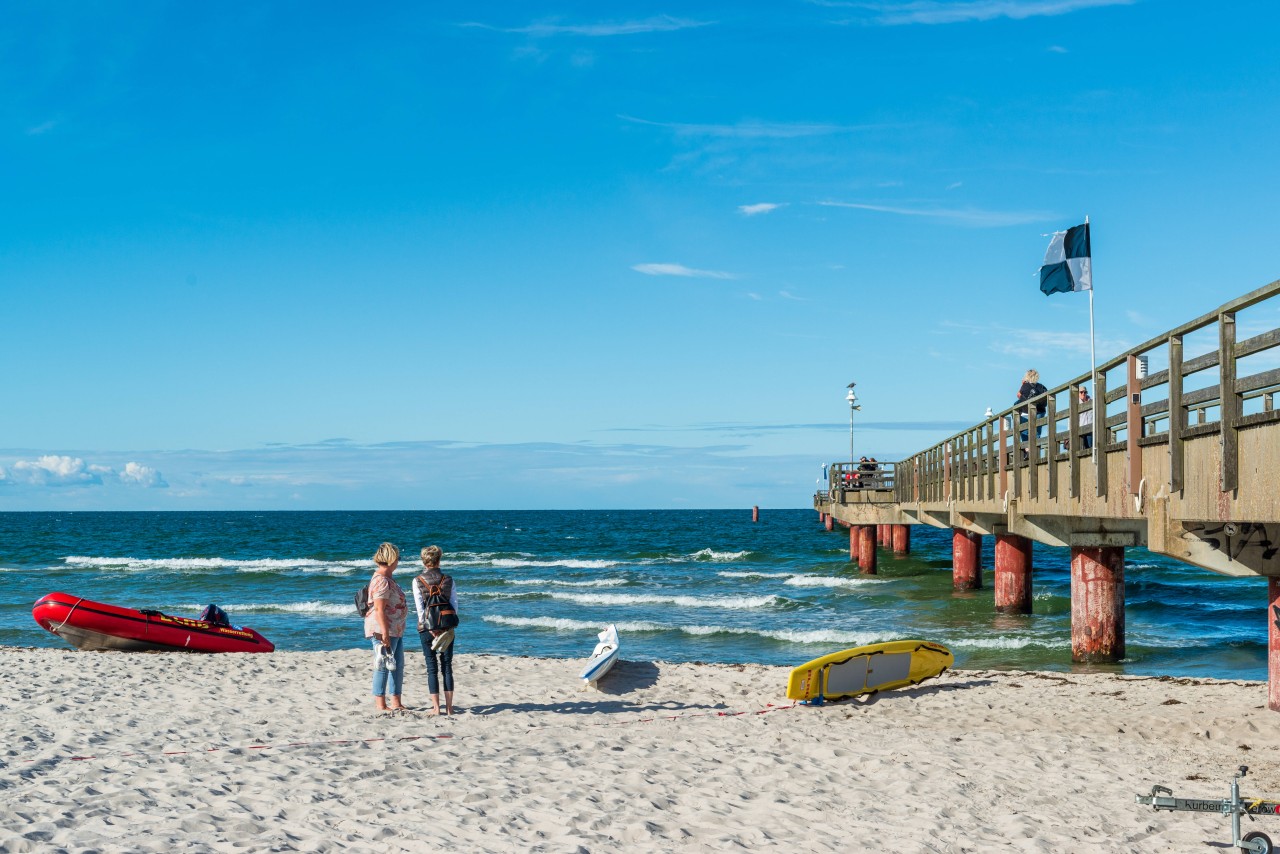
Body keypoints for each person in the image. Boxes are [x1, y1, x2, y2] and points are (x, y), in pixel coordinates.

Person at [413, 545, 458, 716]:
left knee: (431, 666)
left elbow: (420, 609)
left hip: (426, 629)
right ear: (439, 559)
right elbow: (454, 605)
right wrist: (446, 627)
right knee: (447, 665)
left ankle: (436, 708)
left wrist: (430, 629)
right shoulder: (448, 579)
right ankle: (449, 708)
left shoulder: (417, 580)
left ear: (424, 561)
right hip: (447, 626)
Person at [365, 542, 409, 714]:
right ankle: (381, 703)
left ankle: (396, 701)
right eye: (398, 558)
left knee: (396, 664)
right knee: (383, 664)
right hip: (384, 628)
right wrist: (384, 633)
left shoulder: (388, 578)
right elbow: (379, 609)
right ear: (391, 559)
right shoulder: (382, 580)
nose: (399, 561)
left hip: (395, 628)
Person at [1015, 369, 1048, 444]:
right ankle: (1036, 453)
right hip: (1040, 412)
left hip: (1026, 412)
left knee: (1025, 434)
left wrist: (1022, 384)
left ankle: (1027, 452)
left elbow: (1018, 395)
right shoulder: (1042, 387)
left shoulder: (1025, 386)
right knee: (1037, 434)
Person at [1077, 385, 1094, 450]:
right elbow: (1070, 420)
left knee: (1090, 448)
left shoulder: (1092, 401)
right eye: (1081, 392)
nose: (1083, 394)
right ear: (1078, 393)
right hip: (1080, 429)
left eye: (1085, 392)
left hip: (1090, 429)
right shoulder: (1076, 403)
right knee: (1080, 449)